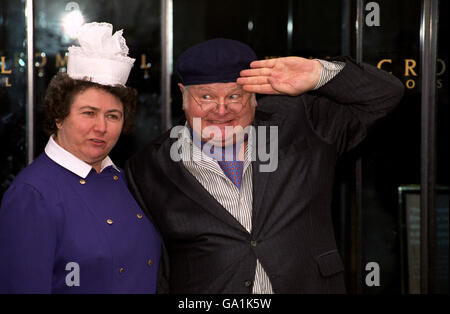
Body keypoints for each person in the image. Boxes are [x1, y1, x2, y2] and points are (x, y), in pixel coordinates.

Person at [125, 38, 404, 293]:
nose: (221, 110)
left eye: (235, 96)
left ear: (255, 96)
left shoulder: (301, 122)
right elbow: (154, 263)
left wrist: (319, 74)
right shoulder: (149, 166)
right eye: (206, 97)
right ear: (183, 95)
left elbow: (385, 94)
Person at [0, 22, 161, 293]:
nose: (101, 127)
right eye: (88, 113)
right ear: (59, 116)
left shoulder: (126, 180)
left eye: (113, 116)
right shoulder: (33, 194)